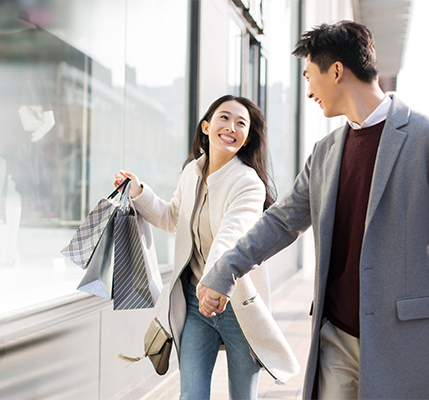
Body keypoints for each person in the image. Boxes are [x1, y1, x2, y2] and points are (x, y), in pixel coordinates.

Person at [196, 21, 429, 399]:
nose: (309, 90)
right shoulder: (325, 152)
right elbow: (280, 222)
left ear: (337, 71)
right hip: (337, 337)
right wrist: (224, 270)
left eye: (310, 76)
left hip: (407, 342)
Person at [113, 95, 299, 399]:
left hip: (237, 305)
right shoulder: (191, 174)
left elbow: (231, 236)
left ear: (247, 138)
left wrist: (214, 284)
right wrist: (138, 192)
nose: (231, 127)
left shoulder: (249, 183)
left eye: (241, 123)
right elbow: (172, 218)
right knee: (191, 395)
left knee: (242, 396)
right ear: (206, 126)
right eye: (224, 118)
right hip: (196, 305)